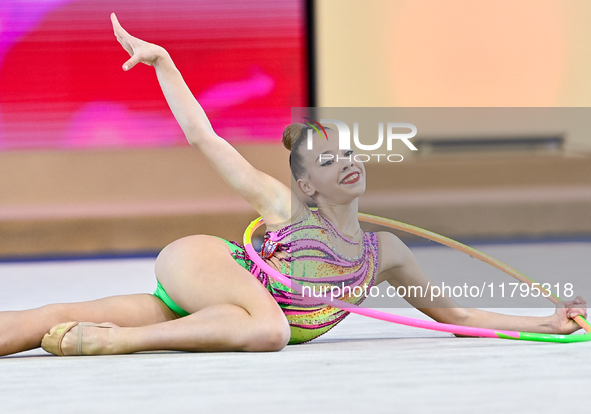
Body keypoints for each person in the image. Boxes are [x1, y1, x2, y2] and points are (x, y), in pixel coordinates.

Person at [0, 14, 586, 357]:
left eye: (350, 153)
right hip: (207, 267)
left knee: (56, 314)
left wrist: (546, 324)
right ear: (304, 182)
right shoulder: (280, 206)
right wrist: (165, 65)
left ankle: (83, 332)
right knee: (271, 327)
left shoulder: (386, 253)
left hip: (215, 313)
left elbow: (454, 313)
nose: (348, 163)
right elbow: (206, 138)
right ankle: (116, 345)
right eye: (329, 161)